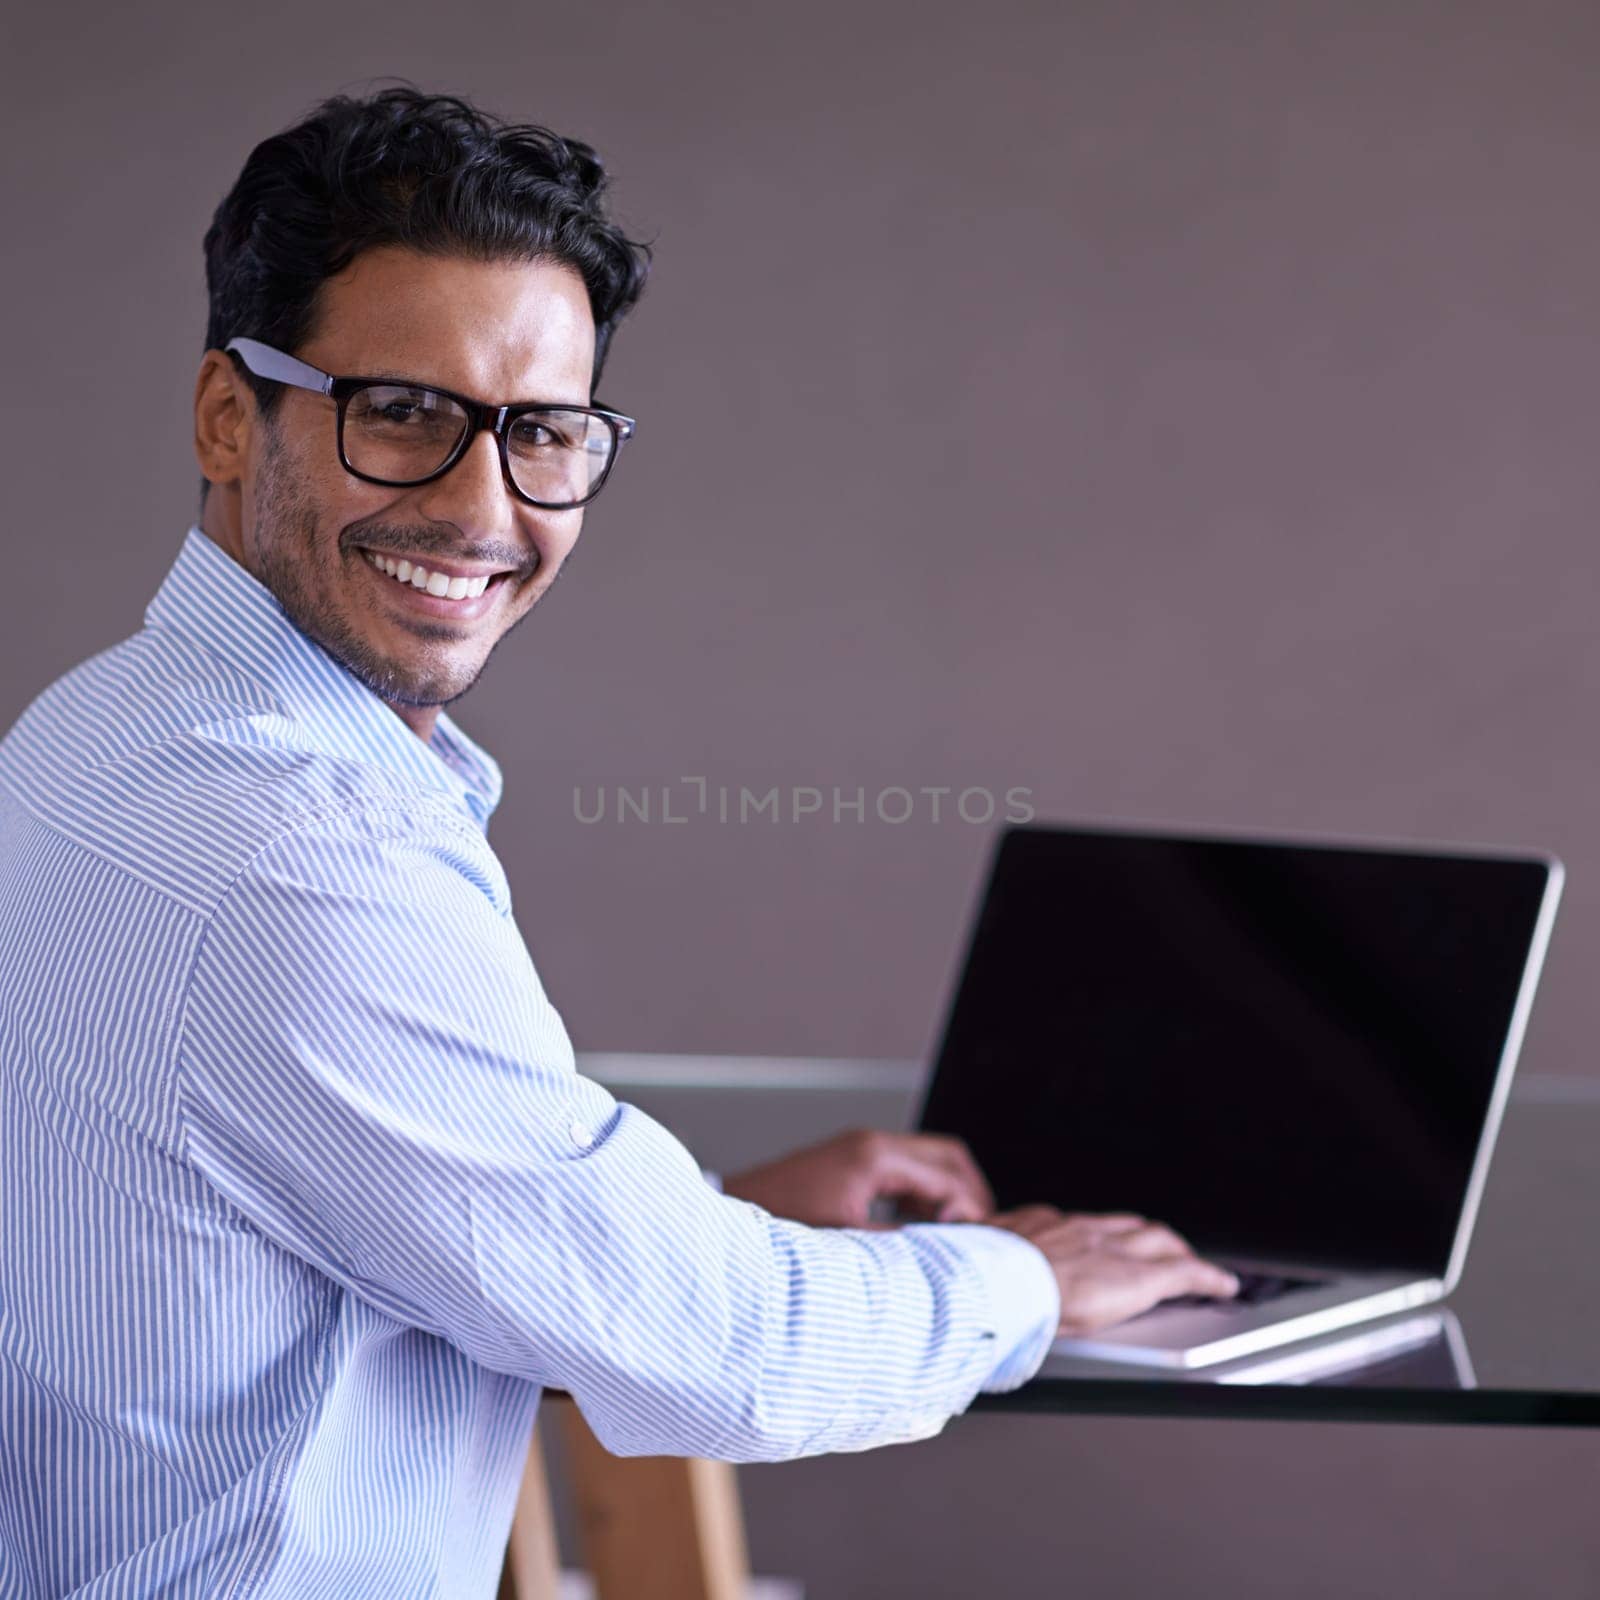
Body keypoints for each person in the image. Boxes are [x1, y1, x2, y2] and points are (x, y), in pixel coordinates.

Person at [0, 83, 1239, 1595]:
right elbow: (716, 1354)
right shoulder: (293, 853)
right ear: (223, 412)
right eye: (402, 415)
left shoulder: (92, 734)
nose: (484, 506)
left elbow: (324, 1225)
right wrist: (1029, 1280)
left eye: (547, 434)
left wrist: (691, 1226)